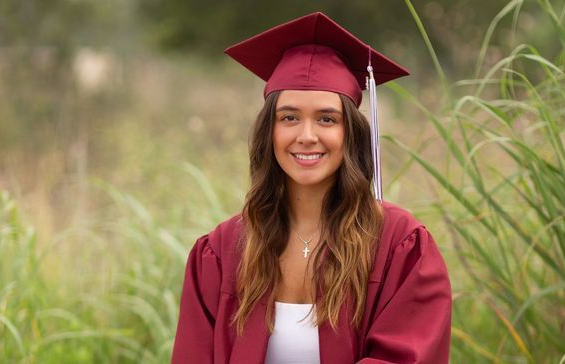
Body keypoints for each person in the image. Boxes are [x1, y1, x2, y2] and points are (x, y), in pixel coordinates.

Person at [172, 12, 451, 364]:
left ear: (350, 132)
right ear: (268, 132)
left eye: (326, 119)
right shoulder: (220, 252)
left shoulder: (400, 246)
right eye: (289, 117)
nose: (306, 136)